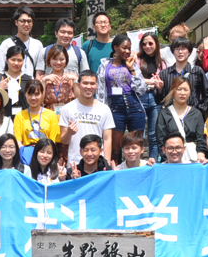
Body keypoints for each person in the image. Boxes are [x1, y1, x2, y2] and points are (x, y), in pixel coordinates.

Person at [96, 33, 148, 161]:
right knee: (114, 149)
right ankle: (115, 175)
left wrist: (131, 69)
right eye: (124, 48)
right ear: (115, 47)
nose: (127, 51)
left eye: (129, 48)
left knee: (136, 147)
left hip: (134, 106)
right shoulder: (104, 66)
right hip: (114, 108)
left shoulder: (133, 65)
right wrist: (102, 111)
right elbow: (101, 91)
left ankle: (137, 174)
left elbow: (141, 89)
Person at [60, 71, 116, 167]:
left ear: (97, 85)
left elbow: (107, 139)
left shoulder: (104, 109)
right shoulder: (67, 108)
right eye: (85, 83)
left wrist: (106, 163)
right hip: (75, 163)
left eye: (92, 83)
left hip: (98, 163)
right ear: (78, 85)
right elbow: (64, 140)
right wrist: (69, 132)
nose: (89, 87)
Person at [156, 76, 208, 164]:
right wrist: (169, 158)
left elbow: (201, 139)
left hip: (192, 158)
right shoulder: (164, 113)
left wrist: (201, 155)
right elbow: (160, 139)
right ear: (173, 91)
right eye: (179, 89)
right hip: (171, 159)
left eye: (185, 89)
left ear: (190, 92)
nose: (182, 93)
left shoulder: (197, 114)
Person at [158, 37, 208, 117]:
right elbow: (159, 100)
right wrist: (159, 89)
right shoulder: (164, 73)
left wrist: (199, 110)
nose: (180, 52)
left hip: (192, 116)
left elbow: (207, 94)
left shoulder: (197, 71)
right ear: (173, 52)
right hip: (171, 116)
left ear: (189, 52)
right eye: (177, 49)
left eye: (184, 49)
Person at [137, 32, 166, 159]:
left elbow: (162, 81)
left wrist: (146, 81)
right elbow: (134, 80)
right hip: (140, 97)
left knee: (154, 134)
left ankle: (152, 161)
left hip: (156, 98)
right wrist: (151, 81)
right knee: (138, 133)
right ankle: (137, 162)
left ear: (156, 44)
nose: (147, 46)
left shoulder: (162, 62)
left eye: (150, 43)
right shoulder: (137, 60)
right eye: (144, 44)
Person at [0, 5, 43, 77]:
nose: (26, 24)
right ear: (16, 22)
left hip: (30, 86)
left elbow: (40, 71)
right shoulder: (7, 43)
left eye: (29, 21)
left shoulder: (38, 45)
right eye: (23, 21)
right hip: (10, 85)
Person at [13, 80, 61, 151]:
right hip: (26, 154)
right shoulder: (19, 116)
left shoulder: (51, 115)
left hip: (45, 154)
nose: (33, 98)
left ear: (42, 94)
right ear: (25, 94)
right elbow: (18, 141)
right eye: (30, 94)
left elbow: (52, 141)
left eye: (36, 94)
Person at [40, 45, 78, 114]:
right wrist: (43, 82)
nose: (58, 62)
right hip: (48, 116)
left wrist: (75, 80)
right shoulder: (43, 79)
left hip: (69, 115)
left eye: (61, 59)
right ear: (49, 60)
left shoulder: (73, 77)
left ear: (66, 60)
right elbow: (39, 101)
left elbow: (80, 99)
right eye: (55, 59)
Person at [0, 44, 33, 118]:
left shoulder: (29, 80)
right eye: (13, 60)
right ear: (7, 60)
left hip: (25, 118)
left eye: (19, 60)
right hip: (4, 119)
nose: (16, 63)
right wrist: (0, 89)